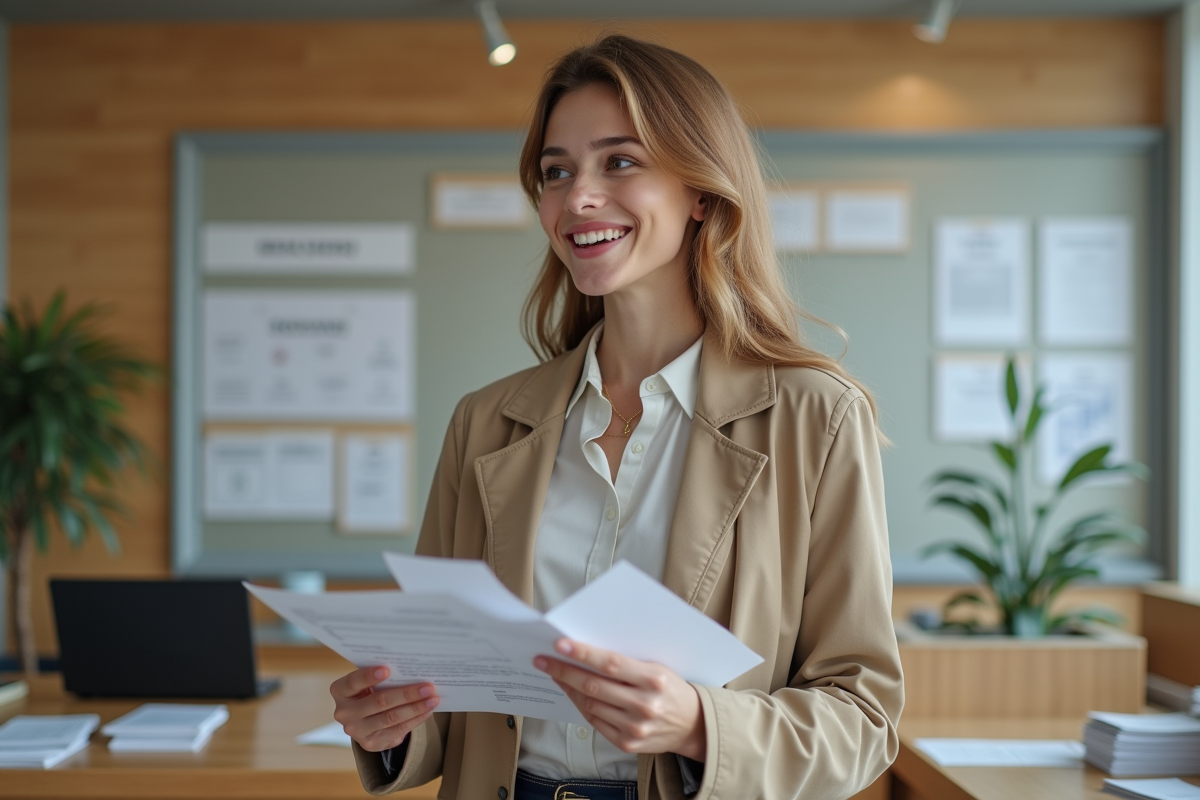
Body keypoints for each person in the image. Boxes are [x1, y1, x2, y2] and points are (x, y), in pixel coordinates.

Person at [330, 34, 903, 800]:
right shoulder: (485, 422)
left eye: (620, 162)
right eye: (556, 172)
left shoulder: (817, 418)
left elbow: (863, 717)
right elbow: (451, 691)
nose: (578, 198)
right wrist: (392, 721)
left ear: (702, 192)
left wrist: (700, 724)